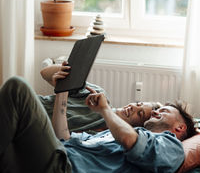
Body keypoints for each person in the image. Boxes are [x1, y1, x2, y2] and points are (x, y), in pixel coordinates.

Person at [0, 64, 196, 173]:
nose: (156, 111)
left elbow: (130, 141)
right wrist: (62, 91)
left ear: (179, 128)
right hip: (55, 155)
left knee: (17, 88)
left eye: (165, 111)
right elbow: (63, 137)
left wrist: (105, 110)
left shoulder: (171, 147)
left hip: (65, 168)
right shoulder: (107, 136)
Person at [40, 62, 162, 129]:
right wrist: (65, 72)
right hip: (34, 105)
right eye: (137, 104)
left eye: (139, 114)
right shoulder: (96, 93)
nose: (133, 108)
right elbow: (44, 73)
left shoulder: (105, 138)